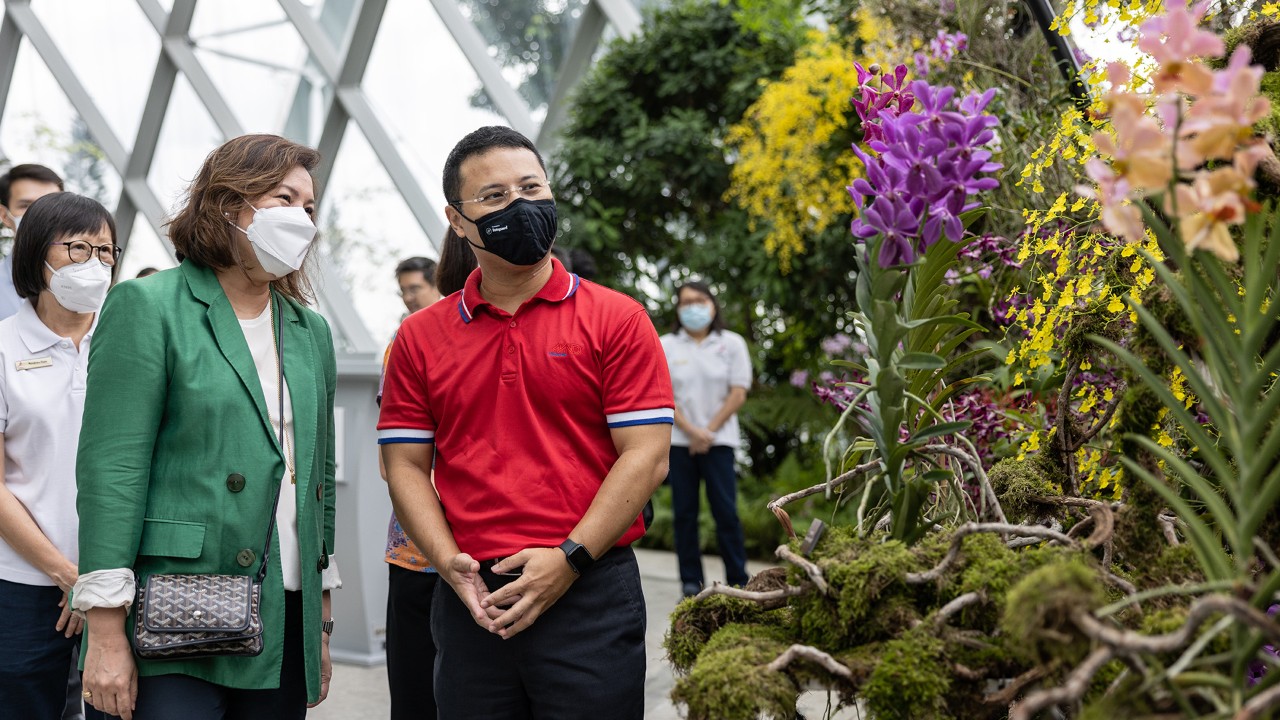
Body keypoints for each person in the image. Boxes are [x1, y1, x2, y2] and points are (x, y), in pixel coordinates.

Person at [378, 126, 674, 720]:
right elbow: (404, 465)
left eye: (531, 187)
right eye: (494, 196)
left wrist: (567, 560)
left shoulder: (617, 319)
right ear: (458, 221)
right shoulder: (420, 337)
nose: (519, 205)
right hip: (471, 599)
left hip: (590, 590)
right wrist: (447, 565)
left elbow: (646, 454)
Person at [71, 134, 340, 720]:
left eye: (310, 208)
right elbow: (112, 470)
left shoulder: (309, 331)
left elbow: (318, 477)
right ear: (228, 204)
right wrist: (107, 631)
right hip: (171, 613)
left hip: (282, 611)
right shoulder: (149, 306)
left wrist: (319, 619)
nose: (300, 219)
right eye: (283, 198)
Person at [0, 192, 115, 719]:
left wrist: (99, 576)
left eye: (106, 251)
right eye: (77, 248)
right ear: (35, 254)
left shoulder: (128, 342)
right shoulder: (4, 348)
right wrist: (68, 575)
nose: (94, 264)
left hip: (120, 577)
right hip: (24, 581)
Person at [380, 253, 443, 720]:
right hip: (414, 550)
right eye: (403, 291)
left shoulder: (472, 335)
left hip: (480, 546)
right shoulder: (401, 344)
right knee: (413, 684)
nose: (408, 299)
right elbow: (392, 463)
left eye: (415, 289)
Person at [660, 280, 752, 597]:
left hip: (719, 442)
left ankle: (739, 577)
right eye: (685, 302)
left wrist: (708, 431)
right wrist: (691, 431)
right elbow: (662, 394)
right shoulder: (665, 345)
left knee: (725, 512)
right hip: (679, 443)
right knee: (684, 513)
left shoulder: (732, 343)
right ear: (677, 308)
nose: (693, 307)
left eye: (699, 300)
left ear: (713, 305)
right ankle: (691, 580)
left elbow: (738, 392)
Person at [0, 164, 65, 321]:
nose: (39, 214)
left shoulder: (87, 282)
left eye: (51, 205)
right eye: (26, 206)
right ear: (4, 215)